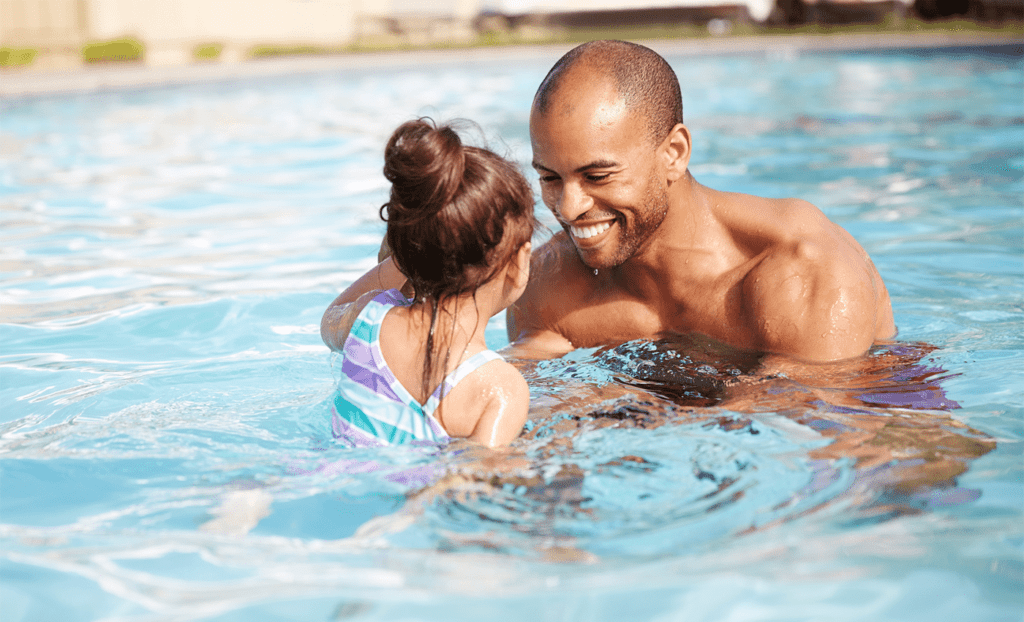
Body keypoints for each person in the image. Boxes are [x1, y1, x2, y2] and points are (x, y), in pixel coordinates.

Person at [507, 40, 896, 364]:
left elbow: (816, 433)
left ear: (674, 153)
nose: (569, 208)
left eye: (598, 176)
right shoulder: (546, 287)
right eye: (550, 178)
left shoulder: (800, 270)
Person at [320, 119, 536, 448]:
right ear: (520, 262)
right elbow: (475, 476)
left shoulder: (370, 318)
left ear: (406, 254)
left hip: (322, 469)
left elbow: (329, 321)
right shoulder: (500, 388)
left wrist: (406, 259)